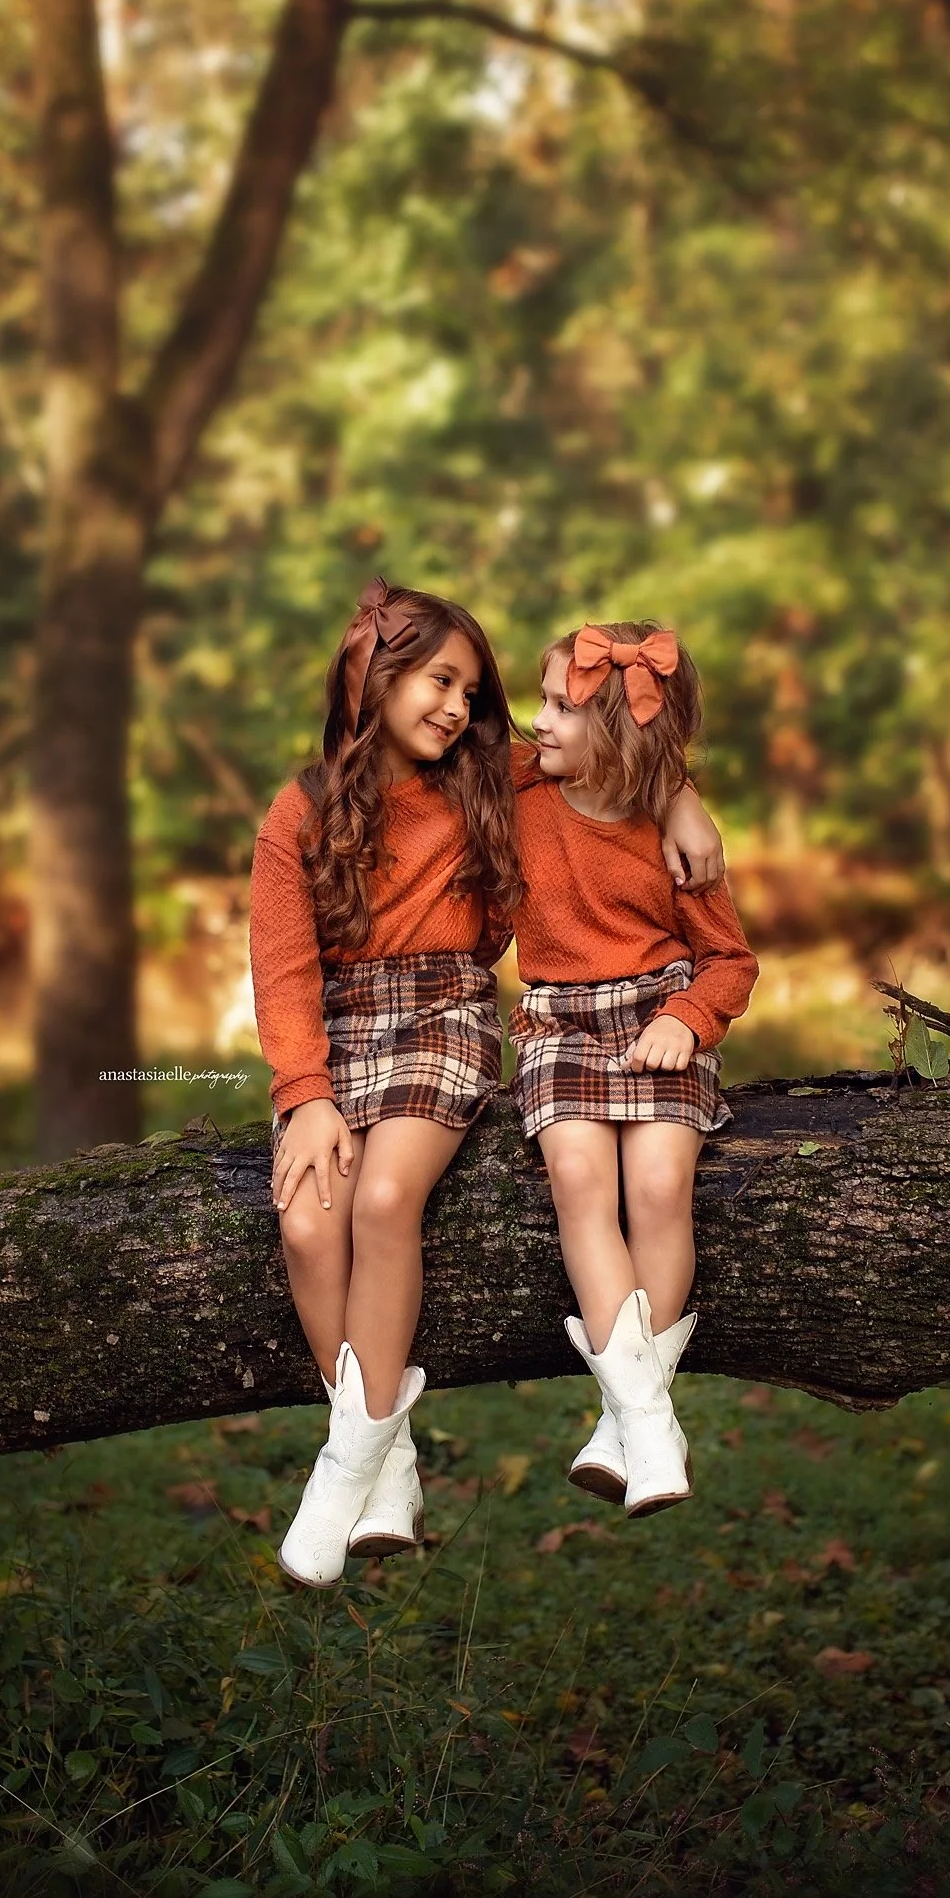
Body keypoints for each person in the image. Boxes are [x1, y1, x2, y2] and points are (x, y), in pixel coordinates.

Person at [250, 583, 725, 1586]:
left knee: (382, 1198)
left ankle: (344, 1465)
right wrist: (305, 1092)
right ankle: (389, 1450)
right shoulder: (295, 813)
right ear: (371, 678)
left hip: (443, 1012)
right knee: (304, 1220)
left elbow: (607, 757)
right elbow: (283, 973)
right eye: (439, 680)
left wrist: (680, 792)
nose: (460, 706)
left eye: (472, 688)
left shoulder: (483, 778)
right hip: (334, 1030)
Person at [510, 622, 759, 1518]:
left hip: (658, 1016)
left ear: (619, 733)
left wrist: (688, 1021)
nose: (534, 721)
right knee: (580, 1178)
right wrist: (683, 783)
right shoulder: (518, 789)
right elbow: (438, 753)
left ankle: (625, 1422)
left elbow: (729, 960)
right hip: (558, 1023)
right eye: (538, 699)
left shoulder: (675, 840)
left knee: (657, 1187)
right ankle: (650, 1421)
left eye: (559, 707)